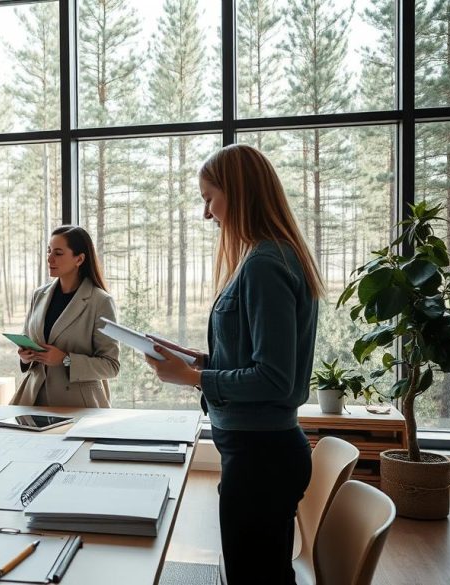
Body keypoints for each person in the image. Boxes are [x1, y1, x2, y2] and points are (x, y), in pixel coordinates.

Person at [144, 144, 324, 584]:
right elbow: (251, 358)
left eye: (209, 197)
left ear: (238, 193)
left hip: (260, 458)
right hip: (256, 453)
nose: (207, 213)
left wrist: (194, 377)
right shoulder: (267, 256)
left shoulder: (265, 263)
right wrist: (196, 361)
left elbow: (274, 378)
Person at [10, 225, 120, 407]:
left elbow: (111, 366)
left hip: (78, 405)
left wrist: (65, 359)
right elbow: (27, 342)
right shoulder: (39, 295)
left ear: (79, 259)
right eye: (49, 251)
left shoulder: (100, 301)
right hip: (34, 400)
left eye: (58, 253)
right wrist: (25, 357)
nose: (49, 258)